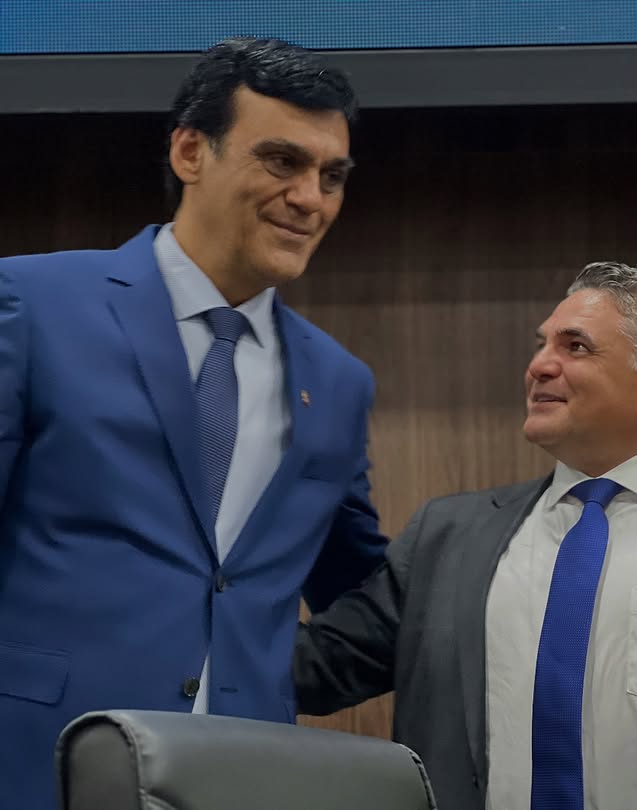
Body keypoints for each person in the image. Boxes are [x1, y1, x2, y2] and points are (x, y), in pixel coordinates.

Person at [0, 38, 388, 810]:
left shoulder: (338, 382)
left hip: (242, 776)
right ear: (189, 152)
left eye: (332, 176)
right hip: (41, 765)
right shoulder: (33, 305)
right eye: (282, 161)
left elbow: (362, 592)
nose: (310, 199)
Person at [293, 262, 637, 810]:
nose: (538, 366)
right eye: (542, 345)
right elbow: (320, 665)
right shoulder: (447, 535)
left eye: (575, 347)